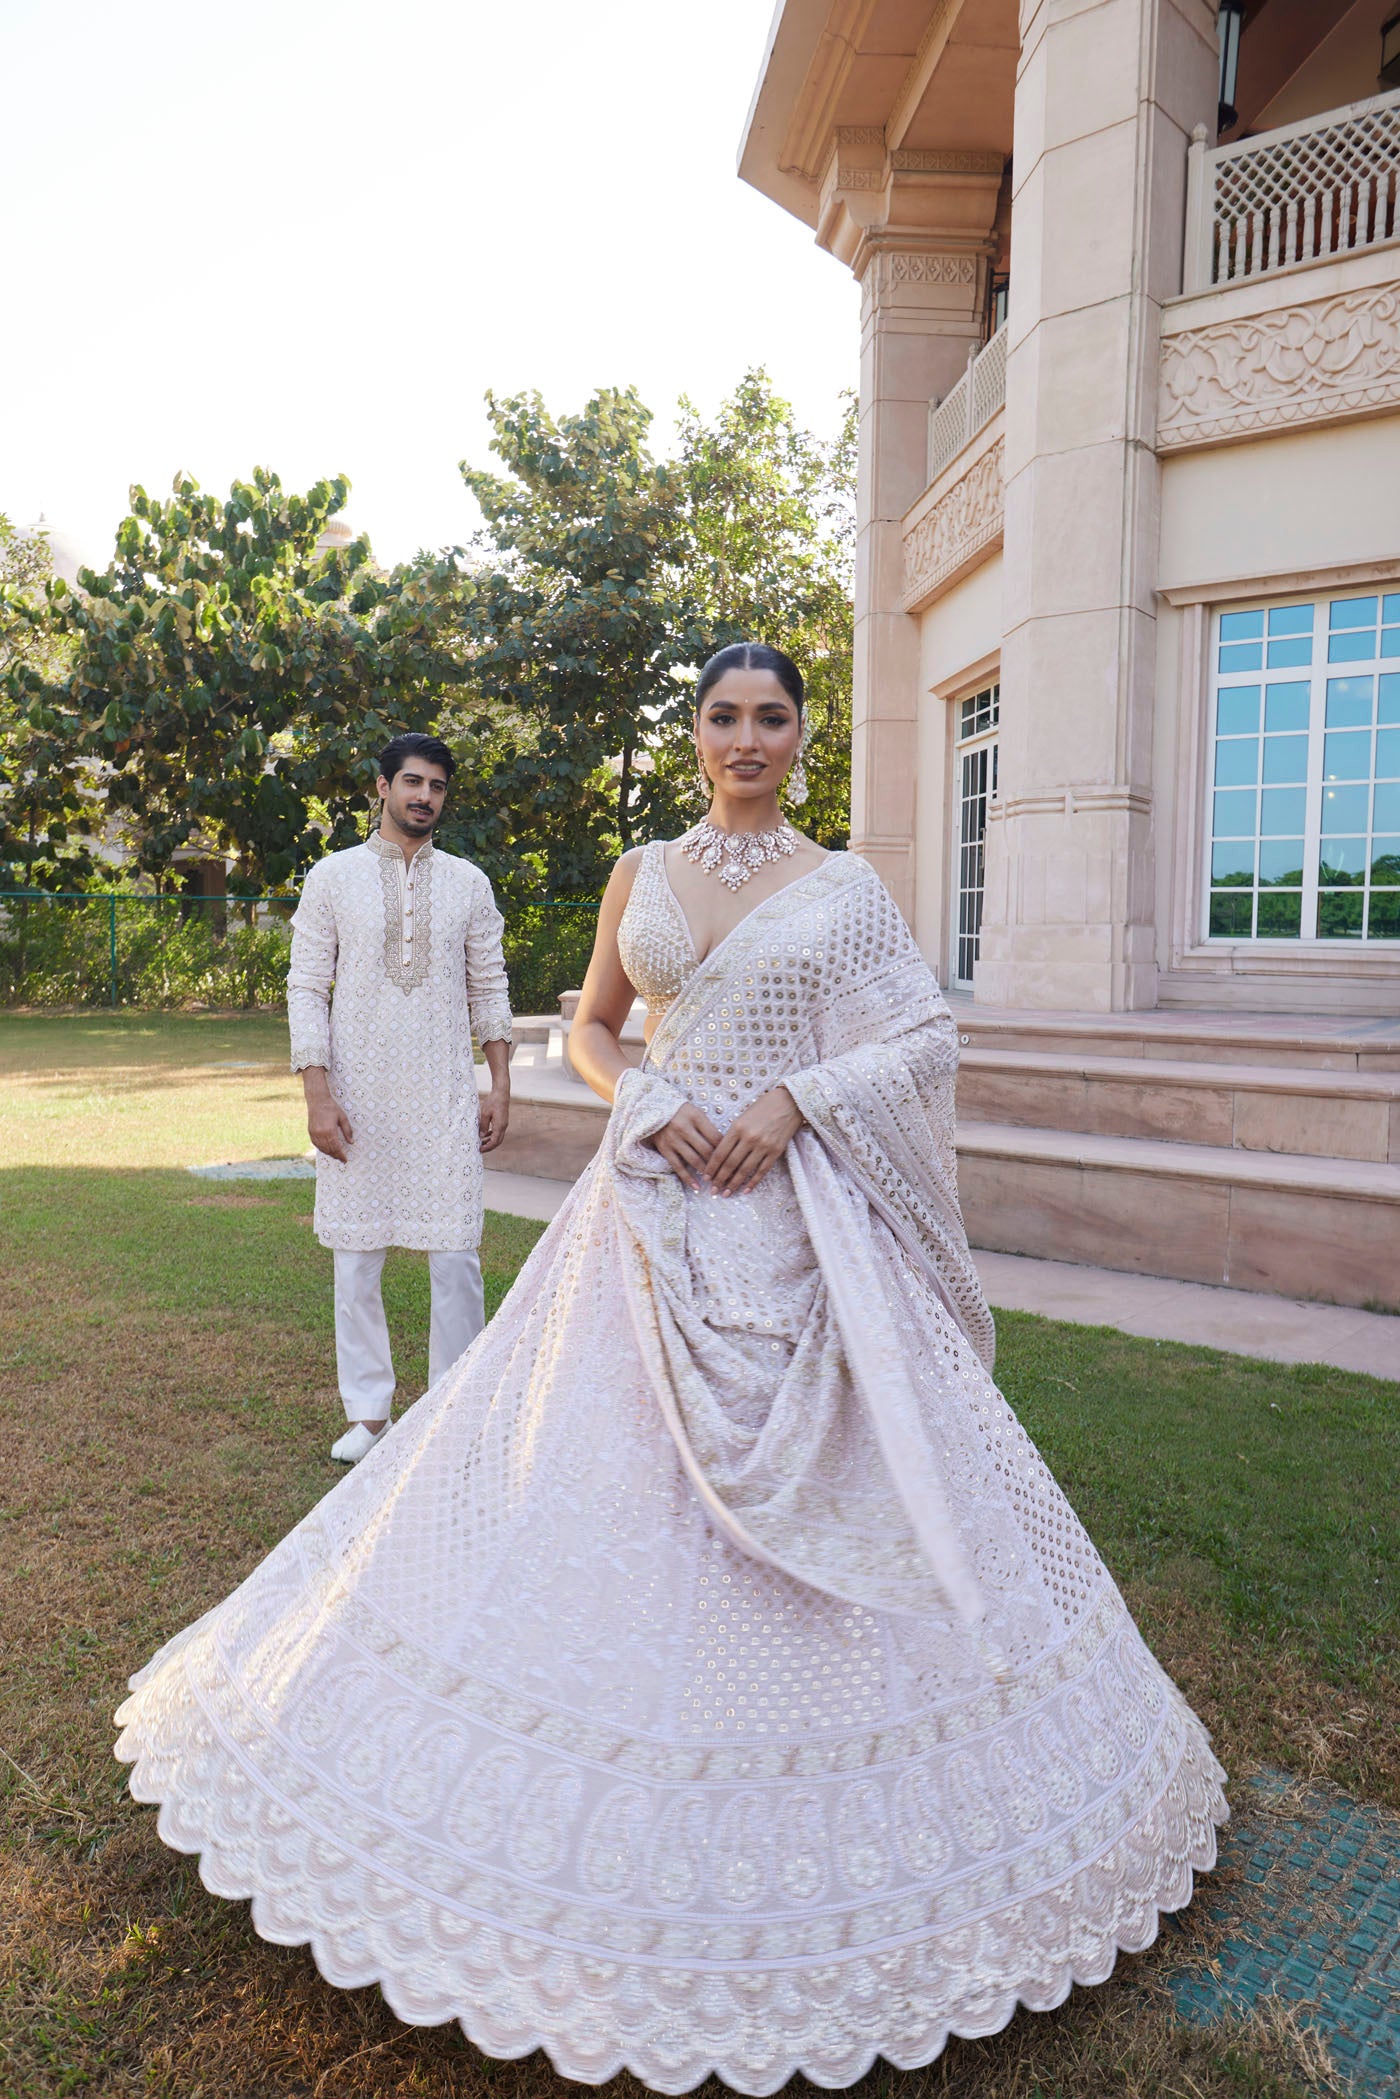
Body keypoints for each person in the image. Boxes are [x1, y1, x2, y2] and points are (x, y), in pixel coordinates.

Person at [117, 645, 1226, 2093]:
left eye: (772, 715)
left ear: (802, 734)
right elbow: (587, 1025)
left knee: (849, 1499)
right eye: (723, 714)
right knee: (570, 1487)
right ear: (694, 731)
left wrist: (793, 1098)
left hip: (801, 1227)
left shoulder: (846, 888)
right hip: (642, 1213)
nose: (747, 737)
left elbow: (921, 1035)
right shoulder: (641, 869)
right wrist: (638, 1091)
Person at [286, 731, 512, 1464]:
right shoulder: (333, 877)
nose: (424, 796)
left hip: (442, 1093)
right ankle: (369, 1417)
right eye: (412, 781)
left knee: (455, 1259)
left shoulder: (469, 884)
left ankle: (448, 1414)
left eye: (437, 786)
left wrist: (499, 1081)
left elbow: (489, 986)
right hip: (359, 1094)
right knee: (356, 1259)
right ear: (381, 787)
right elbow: (304, 987)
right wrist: (318, 1094)